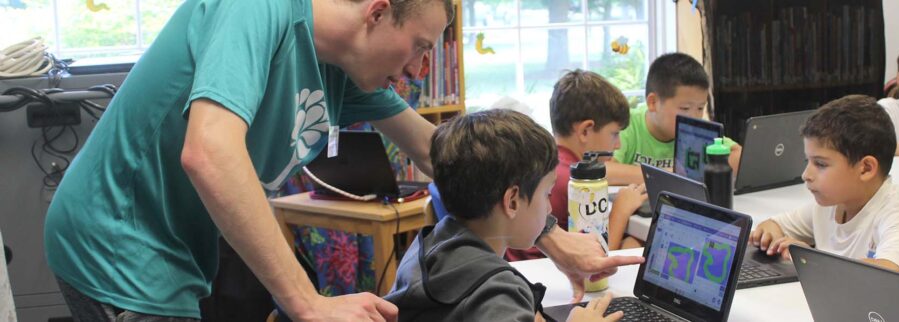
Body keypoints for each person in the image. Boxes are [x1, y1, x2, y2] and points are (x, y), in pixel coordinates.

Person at [42, 0, 641, 320]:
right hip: (116, 241)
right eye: (421, 47)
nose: (419, 70)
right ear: (377, 11)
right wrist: (307, 301)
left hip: (177, 252)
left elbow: (450, 155)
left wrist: (549, 234)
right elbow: (208, 151)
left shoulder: (344, 69)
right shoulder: (259, 9)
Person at [385, 109, 623, 322]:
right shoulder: (497, 294)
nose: (549, 209)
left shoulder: (425, 248)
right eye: (547, 194)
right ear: (511, 201)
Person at [749, 95, 899, 301]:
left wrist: (811, 262)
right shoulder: (830, 204)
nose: (806, 175)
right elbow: (774, 225)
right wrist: (769, 238)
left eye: (820, 164)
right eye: (807, 161)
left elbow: (881, 278)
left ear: (866, 168)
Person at [507, 70, 644, 262]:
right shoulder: (572, 182)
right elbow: (595, 261)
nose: (618, 144)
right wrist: (621, 210)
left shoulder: (549, 164)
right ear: (585, 131)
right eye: (614, 134)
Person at [612, 53, 741, 179]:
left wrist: (703, 169)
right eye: (685, 108)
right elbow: (605, 169)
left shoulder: (697, 131)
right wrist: (667, 174)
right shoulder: (625, 125)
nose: (694, 117)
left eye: (700, 108)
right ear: (653, 102)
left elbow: (739, 155)